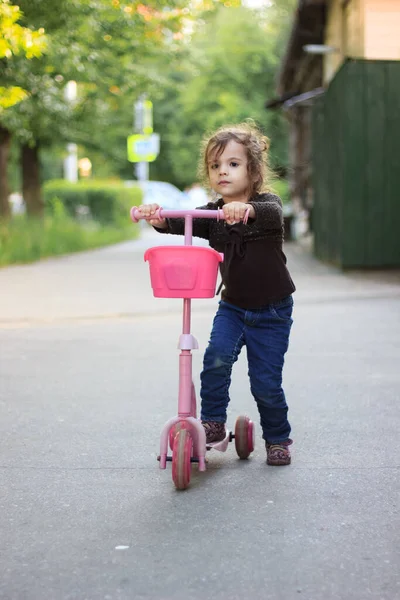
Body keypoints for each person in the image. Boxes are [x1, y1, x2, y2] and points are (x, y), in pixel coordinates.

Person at [137, 121, 296, 466]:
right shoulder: (212, 213)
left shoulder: (266, 205)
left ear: (253, 173)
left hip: (272, 311)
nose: (223, 171)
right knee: (215, 360)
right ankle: (211, 422)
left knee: (265, 382)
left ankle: (278, 438)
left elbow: (269, 213)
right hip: (234, 307)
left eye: (233, 164)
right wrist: (158, 218)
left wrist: (245, 209)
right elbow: (183, 222)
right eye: (215, 166)